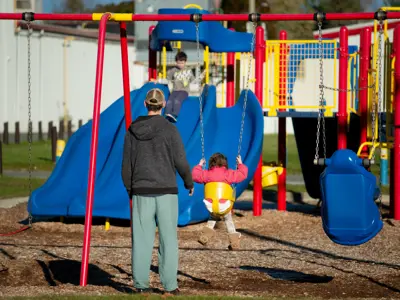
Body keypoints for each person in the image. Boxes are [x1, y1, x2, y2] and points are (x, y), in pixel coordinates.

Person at [121, 88, 194, 296]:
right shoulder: (170, 130)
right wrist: (189, 183)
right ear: (163, 106)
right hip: (166, 192)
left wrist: (130, 189)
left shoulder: (132, 131)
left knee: (142, 239)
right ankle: (170, 286)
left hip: (141, 191)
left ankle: (140, 284)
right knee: (168, 240)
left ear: (145, 105)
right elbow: (180, 160)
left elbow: (126, 165)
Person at [191, 153, 248, 250]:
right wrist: (240, 164)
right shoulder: (228, 174)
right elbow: (242, 174)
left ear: (211, 164)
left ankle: (206, 235)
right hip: (224, 206)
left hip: (211, 205)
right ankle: (234, 240)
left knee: (213, 216)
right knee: (228, 219)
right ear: (225, 164)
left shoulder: (206, 174)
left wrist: (199, 165)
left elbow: (195, 175)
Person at [153, 51, 205, 123]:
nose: (180, 65)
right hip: (175, 90)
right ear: (176, 62)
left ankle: (174, 115)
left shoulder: (188, 71)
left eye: (182, 63)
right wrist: (158, 80)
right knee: (169, 101)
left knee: (177, 100)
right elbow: (167, 80)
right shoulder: (173, 71)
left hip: (184, 91)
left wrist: (200, 77)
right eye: (178, 63)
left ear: (185, 62)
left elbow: (194, 81)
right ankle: (166, 115)